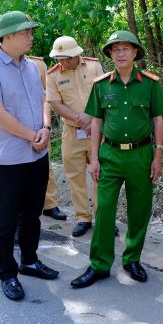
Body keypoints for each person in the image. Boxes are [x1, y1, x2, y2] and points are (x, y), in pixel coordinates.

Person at [70, 30, 163, 289]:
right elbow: (97, 121)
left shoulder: (149, 84)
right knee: (103, 209)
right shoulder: (102, 85)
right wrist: (95, 158)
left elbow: (158, 119)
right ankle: (100, 264)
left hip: (141, 155)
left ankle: (132, 259)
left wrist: (158, 154)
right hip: (110, 155)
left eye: (126, 48)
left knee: (140, 210)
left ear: (135, 52)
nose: (121, 53)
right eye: (116, 49)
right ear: (111, 55)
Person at [0, 11, 59, 301]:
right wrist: (31, 135)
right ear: (8, 37)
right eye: (25, 32)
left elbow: (43, 100)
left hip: (38, 153)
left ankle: (30, 260)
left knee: (33, 214)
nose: (30, 37)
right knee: (6, 218)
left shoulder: (31, 67)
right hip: (10, 157)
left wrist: (46, 128)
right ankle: (7, 274)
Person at [46, 36, 104, 237]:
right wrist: (81, 119)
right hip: (72, 132)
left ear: (76, 54)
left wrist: (92, 118)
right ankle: (82, 217)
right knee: (75, 175)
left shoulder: (94, 67)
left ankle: (102, 217)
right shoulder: (52, 75)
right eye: (59, 59)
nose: (62, 62)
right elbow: (55, 103)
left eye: (66, 58)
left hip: (98, 130)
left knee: (101, 175)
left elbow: (103, 92)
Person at [29, 53, 67, 222]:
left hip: (39, 126)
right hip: (12, 127)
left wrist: (46, 125)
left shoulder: (37, 64)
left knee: (46, 166)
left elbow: (47, 97)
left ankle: (50, 204)